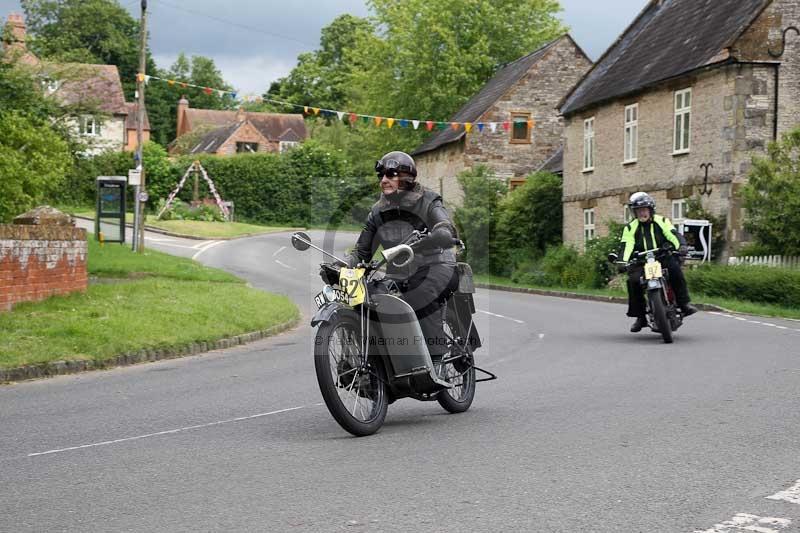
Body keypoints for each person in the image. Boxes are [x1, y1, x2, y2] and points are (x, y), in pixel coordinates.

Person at [349, 151, 458, 358]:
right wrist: (342, 265)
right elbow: (361, 251)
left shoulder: (428, 200)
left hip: (436, 265)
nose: (384, 180)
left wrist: (442, 233)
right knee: (369, 300)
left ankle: (437, 359)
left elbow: (444, 223)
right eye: (381, 175)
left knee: (420, 291)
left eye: (390, 174)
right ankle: (377, 366)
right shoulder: (377, 212)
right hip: (398, 274)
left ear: (406, 178)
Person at [620, 192, 698, 332]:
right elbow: (627, 245)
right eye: (638, 210)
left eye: (644, 209)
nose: (642, 213)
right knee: (633, 281)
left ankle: (684, 303)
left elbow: (672, 234)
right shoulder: (630, 228)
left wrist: (681, 246)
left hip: (662, 257)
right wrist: (623, 261)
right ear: (634, 212)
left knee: (675, 271)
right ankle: (641, 317)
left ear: (650, 210)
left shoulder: (661, 221)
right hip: (641, 261)